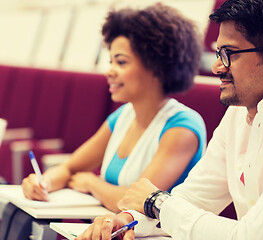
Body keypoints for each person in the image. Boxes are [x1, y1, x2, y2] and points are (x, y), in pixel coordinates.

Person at [76, 0, 263, 239]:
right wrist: (128, 220)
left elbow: (257, 236)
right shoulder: (240, 112)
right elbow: (193, 198)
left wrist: (156, 202)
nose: (218, 66)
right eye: (218, 53)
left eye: (229, 53)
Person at [21, 4, 206, 213]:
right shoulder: (123, 116)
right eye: (111, 61)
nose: (110, 71)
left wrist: (92, 183)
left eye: (121, 62)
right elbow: (69, 168)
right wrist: (42, 183)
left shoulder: (183, 128)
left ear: (157, 66)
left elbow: (137, 202)